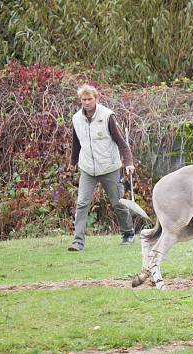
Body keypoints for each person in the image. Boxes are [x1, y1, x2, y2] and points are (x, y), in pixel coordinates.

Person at [68, 84, 136, 251]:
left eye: (90, 99)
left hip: (110, 168)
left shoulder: (107, 116)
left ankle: (128, 233)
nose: (87, 102)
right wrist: (73, 161)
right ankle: (78, 242)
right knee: (82, 204)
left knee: (118, 203)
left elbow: (122, 143)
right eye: (83, 99)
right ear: (80, 100)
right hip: (88, 169)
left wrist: (128, 163)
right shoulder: (76, 119)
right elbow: (76, 143)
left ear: (96, 99)